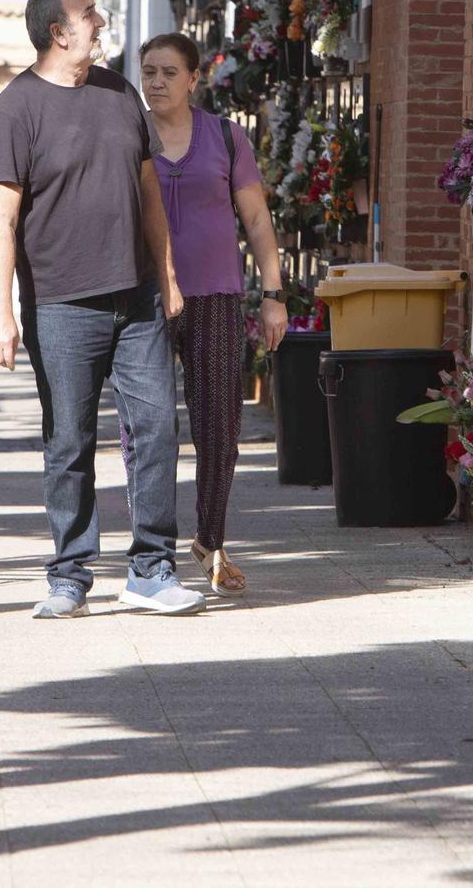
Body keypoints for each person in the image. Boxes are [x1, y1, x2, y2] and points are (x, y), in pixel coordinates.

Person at [0, 0, 205, 619]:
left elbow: (149, 194)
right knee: (70, 441)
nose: (100, 21)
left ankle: (152, 569)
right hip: (61, 304)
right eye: (88, 14)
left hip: (136, 300)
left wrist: (166, 275)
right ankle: (70, 575)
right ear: (59, 32)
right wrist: (1, 312)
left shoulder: (119, 95)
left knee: (159, 425)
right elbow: (0, 219)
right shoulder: (17, 108)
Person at [133, 33, 287, 596]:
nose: (157, 82)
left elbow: (257, 220)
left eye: (170, 72)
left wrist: (273, 292)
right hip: (143, 297)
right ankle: (151, 554)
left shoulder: (226, 136)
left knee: (219, 428)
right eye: (149, 71)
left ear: (195, 79)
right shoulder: (129, 136)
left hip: (216, 296)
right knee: (147, 430)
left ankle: (211, 540)